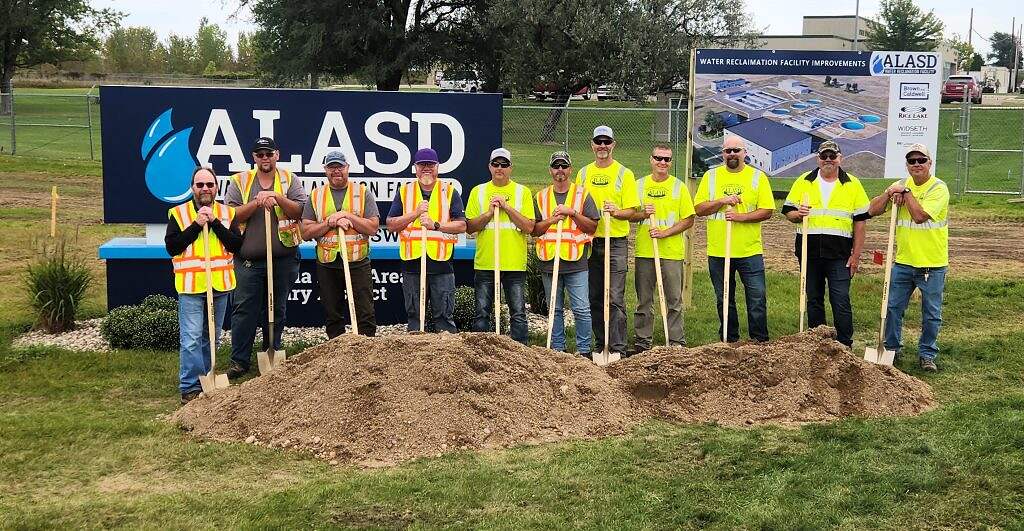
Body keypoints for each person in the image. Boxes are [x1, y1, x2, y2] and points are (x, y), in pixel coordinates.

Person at [223, 137, 308, 379]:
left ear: (276, 155)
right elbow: (231, 214)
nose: (265, 158)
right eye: (260, 154)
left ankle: (272, 351)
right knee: (244, 311)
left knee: (276, 308)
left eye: (268, 153)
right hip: (248, 260)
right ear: (254, 157)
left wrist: (277, 197)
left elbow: (301, 210)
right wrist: (256, 202)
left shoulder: (289, 179)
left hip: (284, 258)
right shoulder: (240, 181)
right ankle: (239, 361)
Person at [866, 143, 949, 372]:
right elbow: (872, 210)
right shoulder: (900, 186)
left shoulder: (938, 189)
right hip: (903, 261)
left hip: (932, 263)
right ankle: (891, 349)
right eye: (912, 161)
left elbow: (920, 216)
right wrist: (889, 193)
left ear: (929, 163)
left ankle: (927, 354)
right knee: (892, 307)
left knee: (931, 314)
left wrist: (906, 193)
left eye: (921, 160)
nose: (916, 165)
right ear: (907, 164)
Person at [164, 167, 243, 404]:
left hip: (219, 285)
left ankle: (206, 378)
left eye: (209, 184)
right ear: (192, 188)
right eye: (200, 185)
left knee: (211, 336)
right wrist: (197, 224)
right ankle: (189, 386)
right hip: (191, 286)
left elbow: (237, 245)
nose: (205, 189)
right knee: (190, 339)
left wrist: (215, 222)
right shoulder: (179, 214)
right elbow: (172, 247)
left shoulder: (228, 213)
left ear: (216, 187)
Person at [782, 140, 869, 348]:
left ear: (840, 158)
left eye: (832, 156)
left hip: (840, 255)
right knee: (813, 299)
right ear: (818, 159)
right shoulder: (804, 181)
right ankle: (818, 343)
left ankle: (844, 345)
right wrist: (798, 214)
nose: (828, 160)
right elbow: (788, 212)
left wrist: (856, 255)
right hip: (808, 252)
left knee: (840, 300)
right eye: (824, 156)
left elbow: (860, 222)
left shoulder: (852, 184)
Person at [694, 135, 774, 343]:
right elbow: (699, 209)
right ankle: (729, 341)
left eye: (736, 150)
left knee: (756, 298)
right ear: (722, 153)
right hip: (719, 251)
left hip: (750, 251)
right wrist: (721, 201)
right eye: (728, 151)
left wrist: (740, 217)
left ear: (744, 153)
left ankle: (759, 341)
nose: (732, 154)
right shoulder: (711, 177)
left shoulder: (757, 177)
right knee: (724, 299)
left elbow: (767, 211)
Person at [386, 148, 468, 332]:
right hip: (412, 264)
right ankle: (416, 357)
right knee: (415, 316)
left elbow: (462, 226)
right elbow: (391, 224)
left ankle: (447, 357)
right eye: (422, 165)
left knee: (444, 318)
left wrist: (435, 225)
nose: (426, 168)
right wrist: (414, 213)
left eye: (430, 165)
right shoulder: (404, 192)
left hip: (442, 264)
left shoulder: (449, 191)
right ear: (415, 167)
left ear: (437, 167)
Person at [300, 150, 379, 338]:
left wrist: (347, 216)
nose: (336, 171)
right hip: (327, 263)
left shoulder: (362, 193)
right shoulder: (316, 196)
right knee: (332, 312)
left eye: (340, 167)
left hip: (357, 261)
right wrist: (329, 222)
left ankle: (366, 351)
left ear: (348, 168)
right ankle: (337, 354)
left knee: (364, 311)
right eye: (331, 167)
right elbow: (306, 233)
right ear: (325, 170)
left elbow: (373, 227)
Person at [576, 125, 639, 357]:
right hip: (590, 241)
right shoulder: (583, 173)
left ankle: (617, 348)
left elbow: (632, 210)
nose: (602, 146)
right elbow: (578, 204)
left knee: (614, 297)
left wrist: (617, 211)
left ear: (614, 144)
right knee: (594, 296)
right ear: (592, 145)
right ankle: (599, 344)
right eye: (598, 142)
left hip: (615, 241)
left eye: (607, 142)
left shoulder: (625, 173)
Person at [465, 148, 536, 344]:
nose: (499, 168)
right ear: (489, 166)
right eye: (495, 164)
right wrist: (488, 213)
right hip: (486, 262)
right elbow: (470, 227)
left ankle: (520, 356)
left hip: (513, 263)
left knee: (518, 313)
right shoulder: (478, 192)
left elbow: (529, 226)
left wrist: (506, 207)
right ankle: (481, 354)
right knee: (481, 314)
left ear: (511, 168)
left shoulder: (522, 192)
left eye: (504, 164)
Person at [629, 144, 695, 351]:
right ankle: (642, 342)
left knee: (674, 300)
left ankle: (676, 342)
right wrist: (643, 214)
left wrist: (665, 233)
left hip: (671, 253)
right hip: (645, 251)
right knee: (644, 300)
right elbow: (630, 214)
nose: (662, 163)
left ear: (671, 162)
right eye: (658, 158)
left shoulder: (678, 187)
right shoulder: (638, 186)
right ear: (651, 159)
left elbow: (688, 219)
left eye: (667, 159)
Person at [532, 151, 599, 355]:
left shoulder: (582, 194)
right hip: (549, 261)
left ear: (570, 169)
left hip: (575, 261)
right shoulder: (541, 197)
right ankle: (558, 350)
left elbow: (592, 227)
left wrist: (573, 213)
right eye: (556, 166)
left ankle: (584, 350)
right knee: (555, 309)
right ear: (550, 170)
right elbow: (534, 229)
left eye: (563, 166)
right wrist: (552, 221)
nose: (560, 170)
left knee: (581, 309)